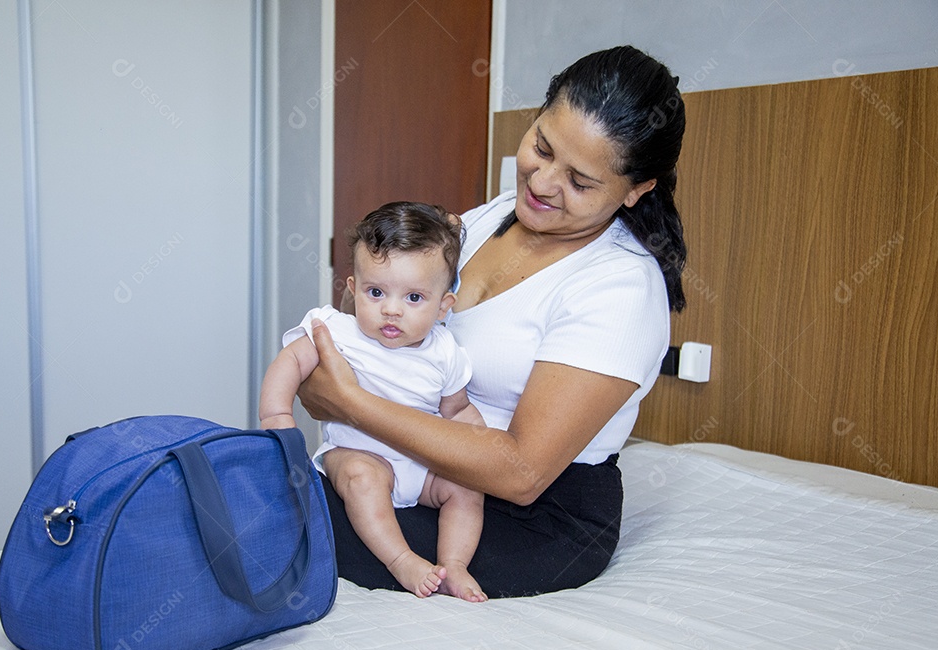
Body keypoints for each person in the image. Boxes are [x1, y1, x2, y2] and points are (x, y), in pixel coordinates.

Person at [296, 46, 688, 599]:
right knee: (262, 489)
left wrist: (352, 403)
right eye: (542, 147)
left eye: (580, 182)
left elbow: (524, 473)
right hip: (415, 467)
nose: (544, 183)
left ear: (637, 189)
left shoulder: (621, 287)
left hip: (532, 515)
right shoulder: (486, 221)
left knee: (281, 521)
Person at [260, 201, 489, 602]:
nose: (391, 309)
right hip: (355, 453)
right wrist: (276, 414)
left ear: (442, 307)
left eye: (414, 297)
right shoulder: (338, 330)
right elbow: (291, 362)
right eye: (376, 292)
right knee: (363, 481)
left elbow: (457, 410)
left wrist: (480, 444)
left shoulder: (446, 351)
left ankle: (453, 564)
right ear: (353, 289)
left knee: (466, 487)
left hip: (420, 465)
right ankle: (400, 559)